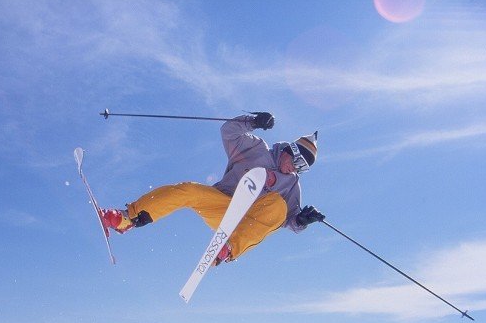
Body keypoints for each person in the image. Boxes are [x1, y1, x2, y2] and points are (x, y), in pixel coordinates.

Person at [99, 112, 325, 265]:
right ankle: (127, 218)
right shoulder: (257, 149)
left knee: (278, 205)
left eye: (302, 169)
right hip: (222, 204)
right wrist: (253, 121)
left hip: (246, 223)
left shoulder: (292, 184)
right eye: (298, 162)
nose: (296, 170)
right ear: (291, 151)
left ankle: (227, 249)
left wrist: (302, 220)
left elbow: (287, 220)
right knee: (188, 190)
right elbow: (229, 131)